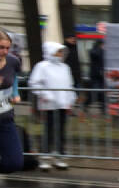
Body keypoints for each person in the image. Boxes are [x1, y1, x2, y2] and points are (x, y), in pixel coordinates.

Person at [29, 41, 76, 171]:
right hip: (48, 105)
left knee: (61, 131)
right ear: (51, 52)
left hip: (63, 104)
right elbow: (34, 83)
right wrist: (46, 95)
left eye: (62, 51)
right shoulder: (42, 66)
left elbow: (69, 85)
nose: (61, 54)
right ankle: (44, 158)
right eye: (58, 51)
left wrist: (71, 98)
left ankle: (59, 157)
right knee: (48, 131)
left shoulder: (65, 67)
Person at [0, 29, 25, 173]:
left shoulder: (13, 61)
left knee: (15, 163)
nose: (5, 51)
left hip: (5, 117)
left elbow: (14, 78)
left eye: (7, 48)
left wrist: (16, 93)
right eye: (1, 47)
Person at [87, 39, 105, 113]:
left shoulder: (99, 51)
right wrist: (101, 49)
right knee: (95, 91)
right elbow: (95, 55)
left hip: (100, 74)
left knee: (102, 91)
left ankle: (103, 108)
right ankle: (87, 104)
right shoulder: (95, 51)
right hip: (96, 75)